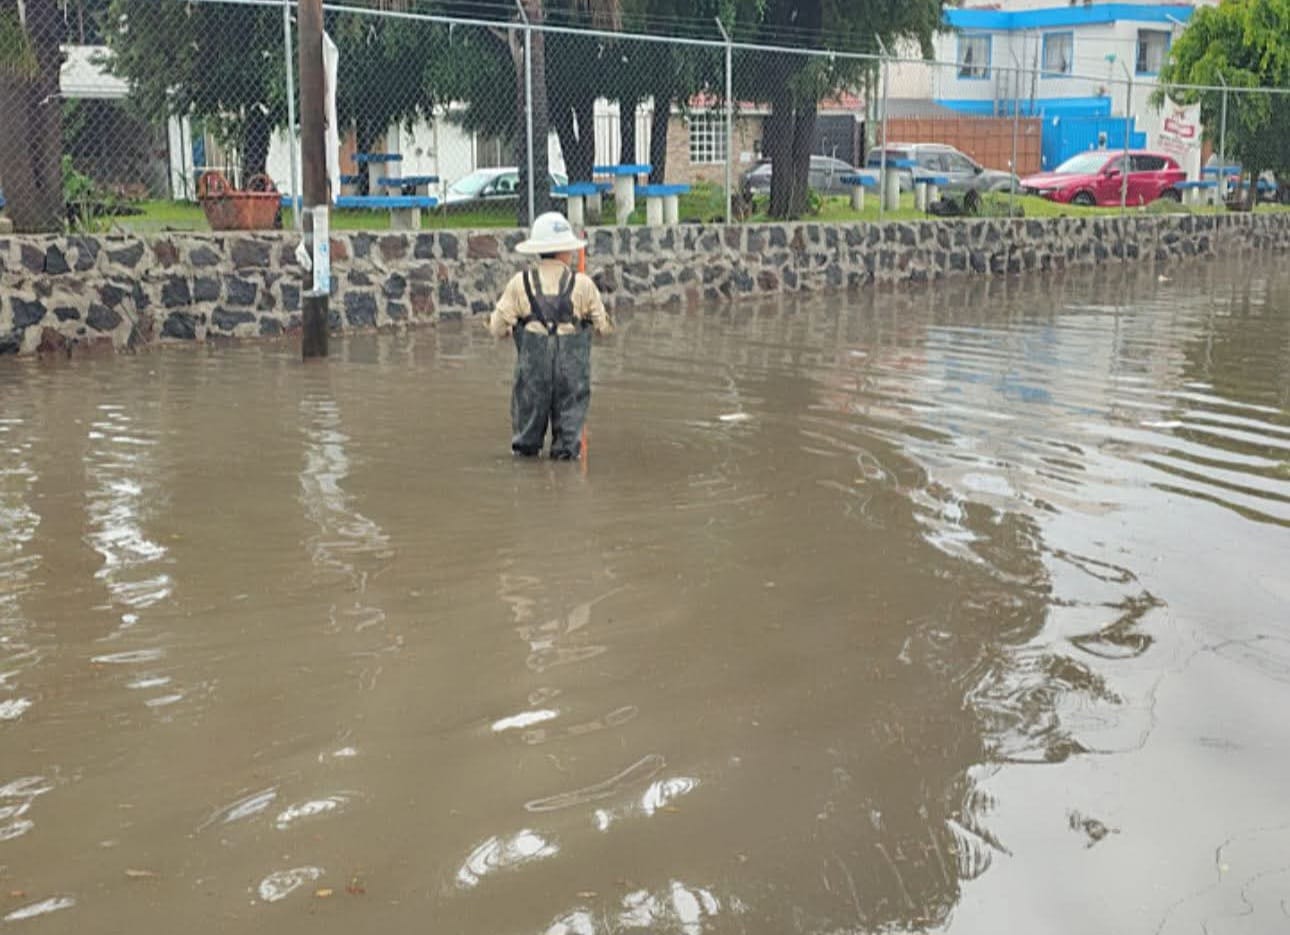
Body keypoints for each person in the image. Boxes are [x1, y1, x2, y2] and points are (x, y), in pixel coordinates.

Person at [487, 211, 613, 459]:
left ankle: (526, 487)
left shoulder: (519, 282)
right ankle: (566, 487)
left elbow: (496, 327)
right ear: (565, 251)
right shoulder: (584, 284)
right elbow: (604, 328)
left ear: (538, 250)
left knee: (525, 446)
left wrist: (511, 328)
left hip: (532, 370)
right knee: (567, 448)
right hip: (572, 374)